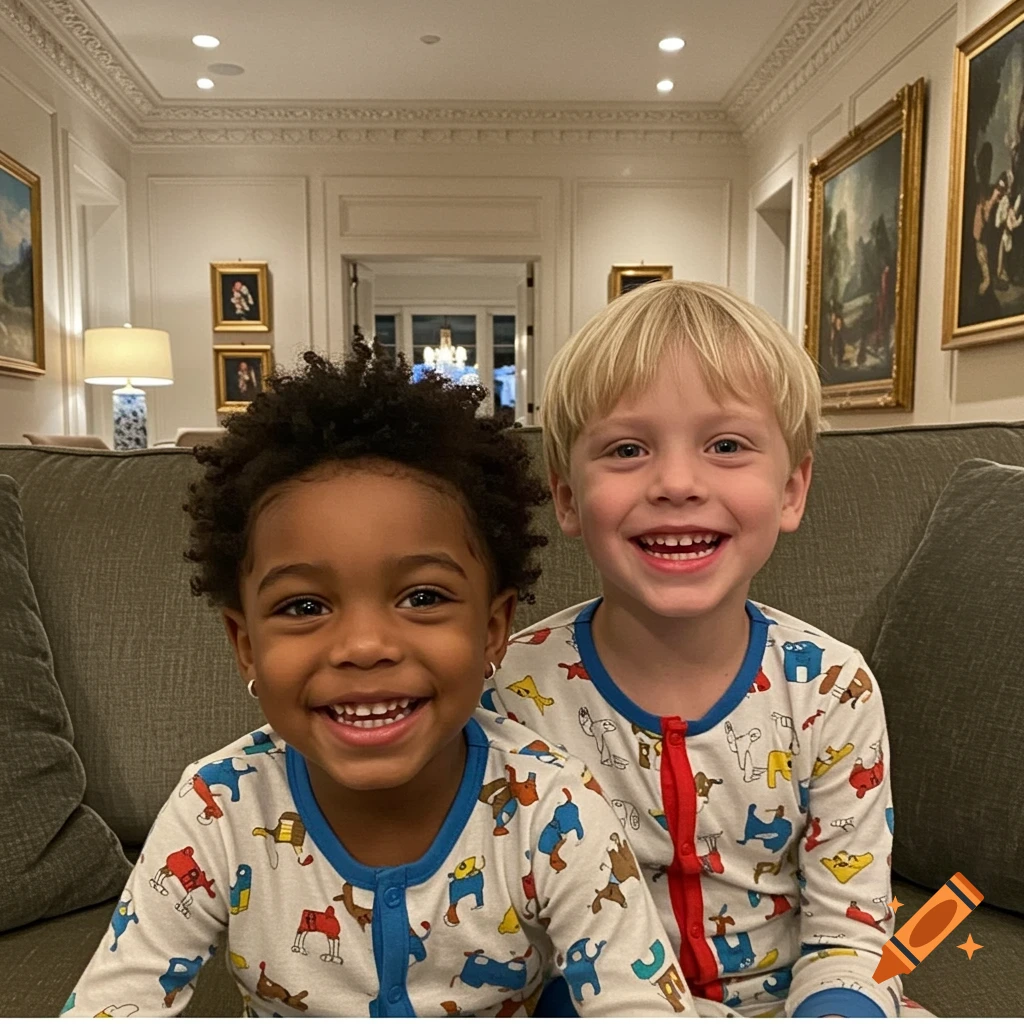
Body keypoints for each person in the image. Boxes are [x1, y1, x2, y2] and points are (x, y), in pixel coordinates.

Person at [61, 344, 724, 1019]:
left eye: (423, 597)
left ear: (493, 630)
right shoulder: (216, 810)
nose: (365, 646)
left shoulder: (553, 810)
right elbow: (113, 1005)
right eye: (304, 607)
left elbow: (641, 1004)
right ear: (246, 647)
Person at [487, 281, 928, 1018]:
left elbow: (851, 932)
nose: (678, 483)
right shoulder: (505, 689)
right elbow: (511, 935)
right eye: (628, 449)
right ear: (566, 497)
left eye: (726, 445)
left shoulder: (834, 688)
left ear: (791, 489)